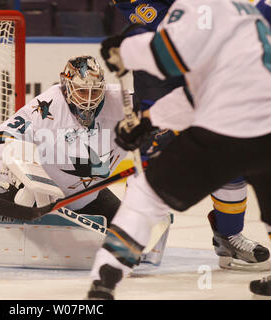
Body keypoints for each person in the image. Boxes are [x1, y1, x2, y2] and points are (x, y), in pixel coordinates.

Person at [86, 0, 271, 300]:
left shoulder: (198, 5)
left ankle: (105, 278)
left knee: (146, 196)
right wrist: (148, 120)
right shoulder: (245, 10)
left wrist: (125, 50)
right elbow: (198, 91)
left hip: (225, 131)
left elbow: (168, 56)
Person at [0, 55, 169, 265]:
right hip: (33, 196)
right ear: (67, 87)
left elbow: (170, 111)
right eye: (82, 91)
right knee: (29, 227)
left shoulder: (123, 106)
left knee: (132, 249)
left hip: (84, 196)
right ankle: (18, 221)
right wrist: (11, 174)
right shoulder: (46, 108)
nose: (89, 99)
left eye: (95, 91)